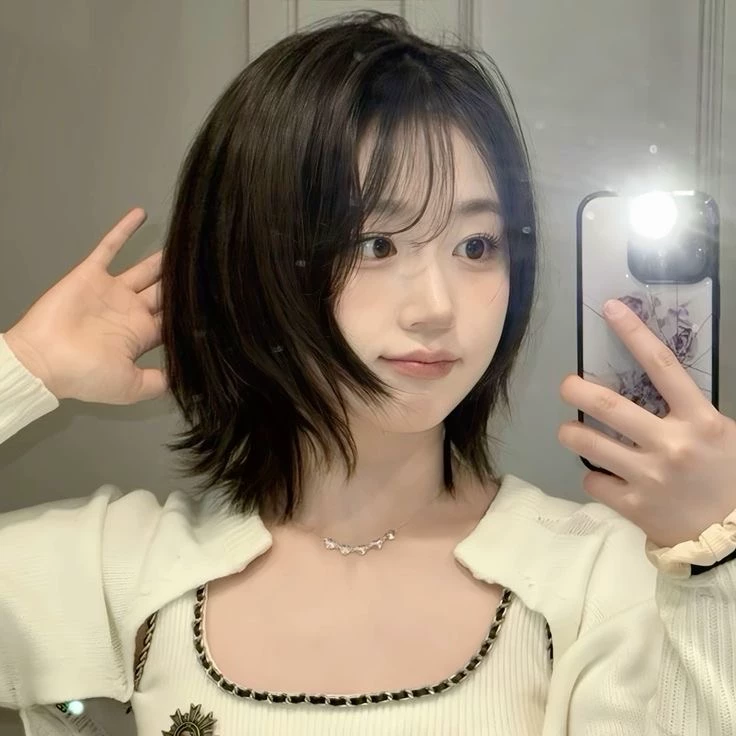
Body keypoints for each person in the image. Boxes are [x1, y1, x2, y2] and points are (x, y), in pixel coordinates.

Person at [1, 10, 735, 736]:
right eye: (376, 245)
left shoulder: (600, 577)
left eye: (476, 247)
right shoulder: (120, 572)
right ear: (251, 258)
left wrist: (714, 560)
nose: (437, 308)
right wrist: (27, 367)